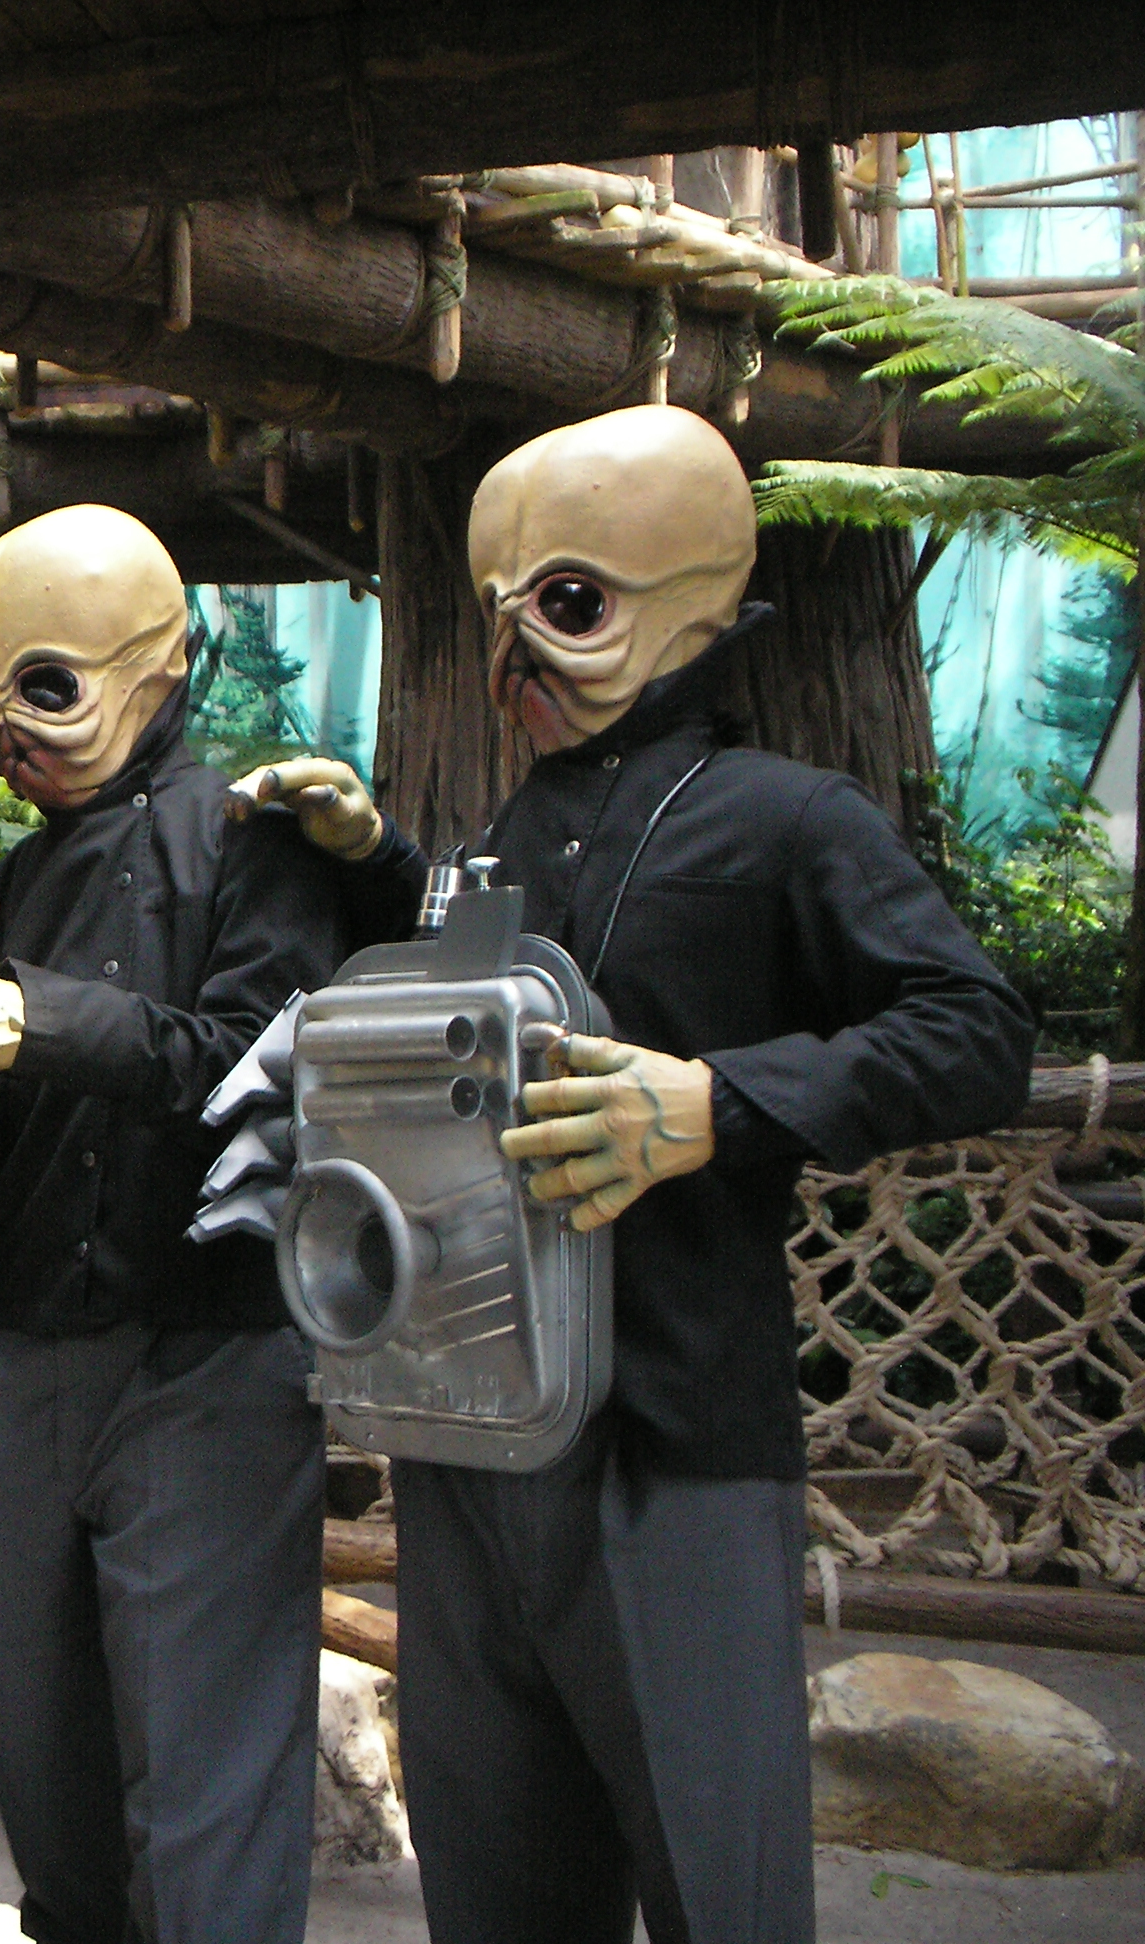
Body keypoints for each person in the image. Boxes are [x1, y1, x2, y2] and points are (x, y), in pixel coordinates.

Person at [386, 403, 1035, 1943]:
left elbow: (977, 1032)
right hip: (469, 1444)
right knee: (490, 1887)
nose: (515, 657)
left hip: (672, 1448)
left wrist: (721, 1102)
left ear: (689, 595)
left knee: (716, 1881)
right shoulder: (484, 848)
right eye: (497, 615)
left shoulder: (790, 819)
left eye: (566, 604)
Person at [0, 505, 417, 1944]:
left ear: (158, 670)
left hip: (204, 1360)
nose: (8, 735)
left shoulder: (258, 844)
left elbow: (250, 1059)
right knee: (29, 1743)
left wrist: (31, 1018)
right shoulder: (18, 878)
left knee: (206, 1776)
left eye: (45, 688)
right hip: (15, 1360)